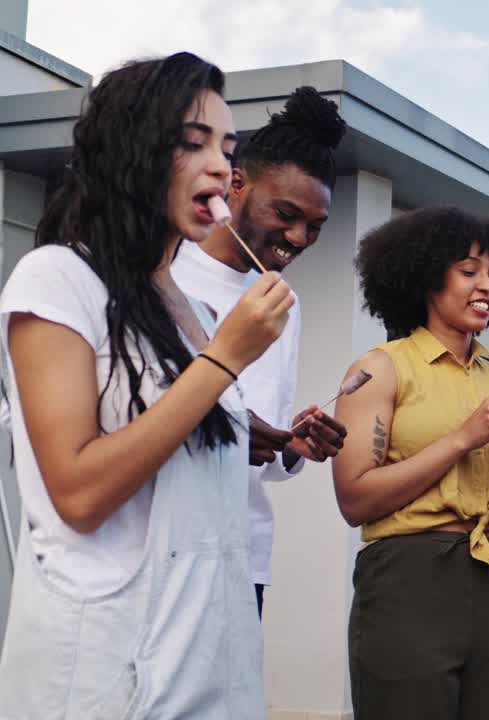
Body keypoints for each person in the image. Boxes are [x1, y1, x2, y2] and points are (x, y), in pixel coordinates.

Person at [0, 53, 292, 717]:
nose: (221, 168)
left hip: (209, 655)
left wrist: (241, 428)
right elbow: (79, 494)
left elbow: (177, 449)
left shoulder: (197, 313)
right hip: (104, 662)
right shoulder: (57, 280)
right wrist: (224, 362)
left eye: (228, 149)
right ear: (131, 151)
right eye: (193, 143)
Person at [332, 207, 489, 720]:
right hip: (407, 574)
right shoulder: (380, 368)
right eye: (468, 271)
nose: (486, 286)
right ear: (425, 276)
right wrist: (464, 438)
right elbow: (355, 499)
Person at [172, 85, 349, 617]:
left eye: (315, 226)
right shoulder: (166, 273)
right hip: (164, 547)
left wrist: (292, 444)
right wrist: (225, 426)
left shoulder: (282, 303)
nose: (299, 237)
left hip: (243, 555)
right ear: (236, 184)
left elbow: (263, 463)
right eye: (286, 213)